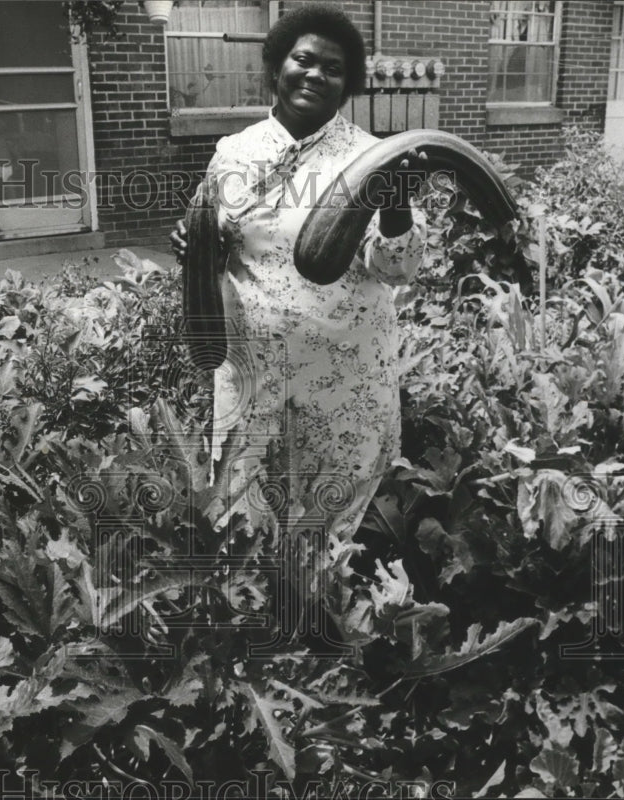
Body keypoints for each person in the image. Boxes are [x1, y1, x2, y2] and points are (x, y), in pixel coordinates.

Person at [169, 4, 427, 640]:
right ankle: (255, 636)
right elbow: (215, 237)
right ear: (277, 66)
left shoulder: (372, 157)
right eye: (303, 60)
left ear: (350, 83)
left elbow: (400, 268)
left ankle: (315, 638)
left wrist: (394, 208)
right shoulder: (232, 154)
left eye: (333, 69)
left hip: (343, 382)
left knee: (325, 519)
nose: (314, 74)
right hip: (253, 375)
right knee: (244, 509)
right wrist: (191, 241)